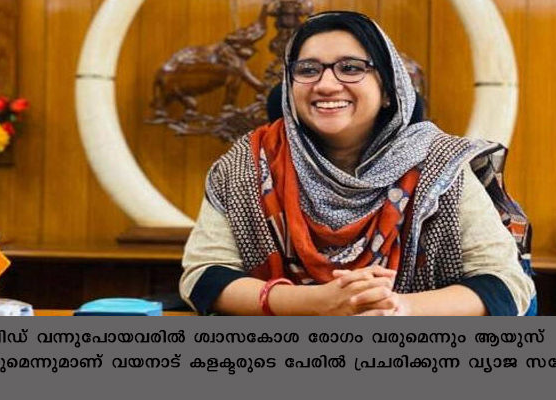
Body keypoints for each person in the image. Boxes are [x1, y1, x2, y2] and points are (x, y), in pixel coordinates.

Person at [180, 11, 535, 316]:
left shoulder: (439, 165)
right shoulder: (248, 163)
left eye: (350, 68)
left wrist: (396, 308)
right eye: (308, 69)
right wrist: (315, 303)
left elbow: (507, 284)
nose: (326, 84)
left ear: (389, 90)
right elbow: (203, 275)